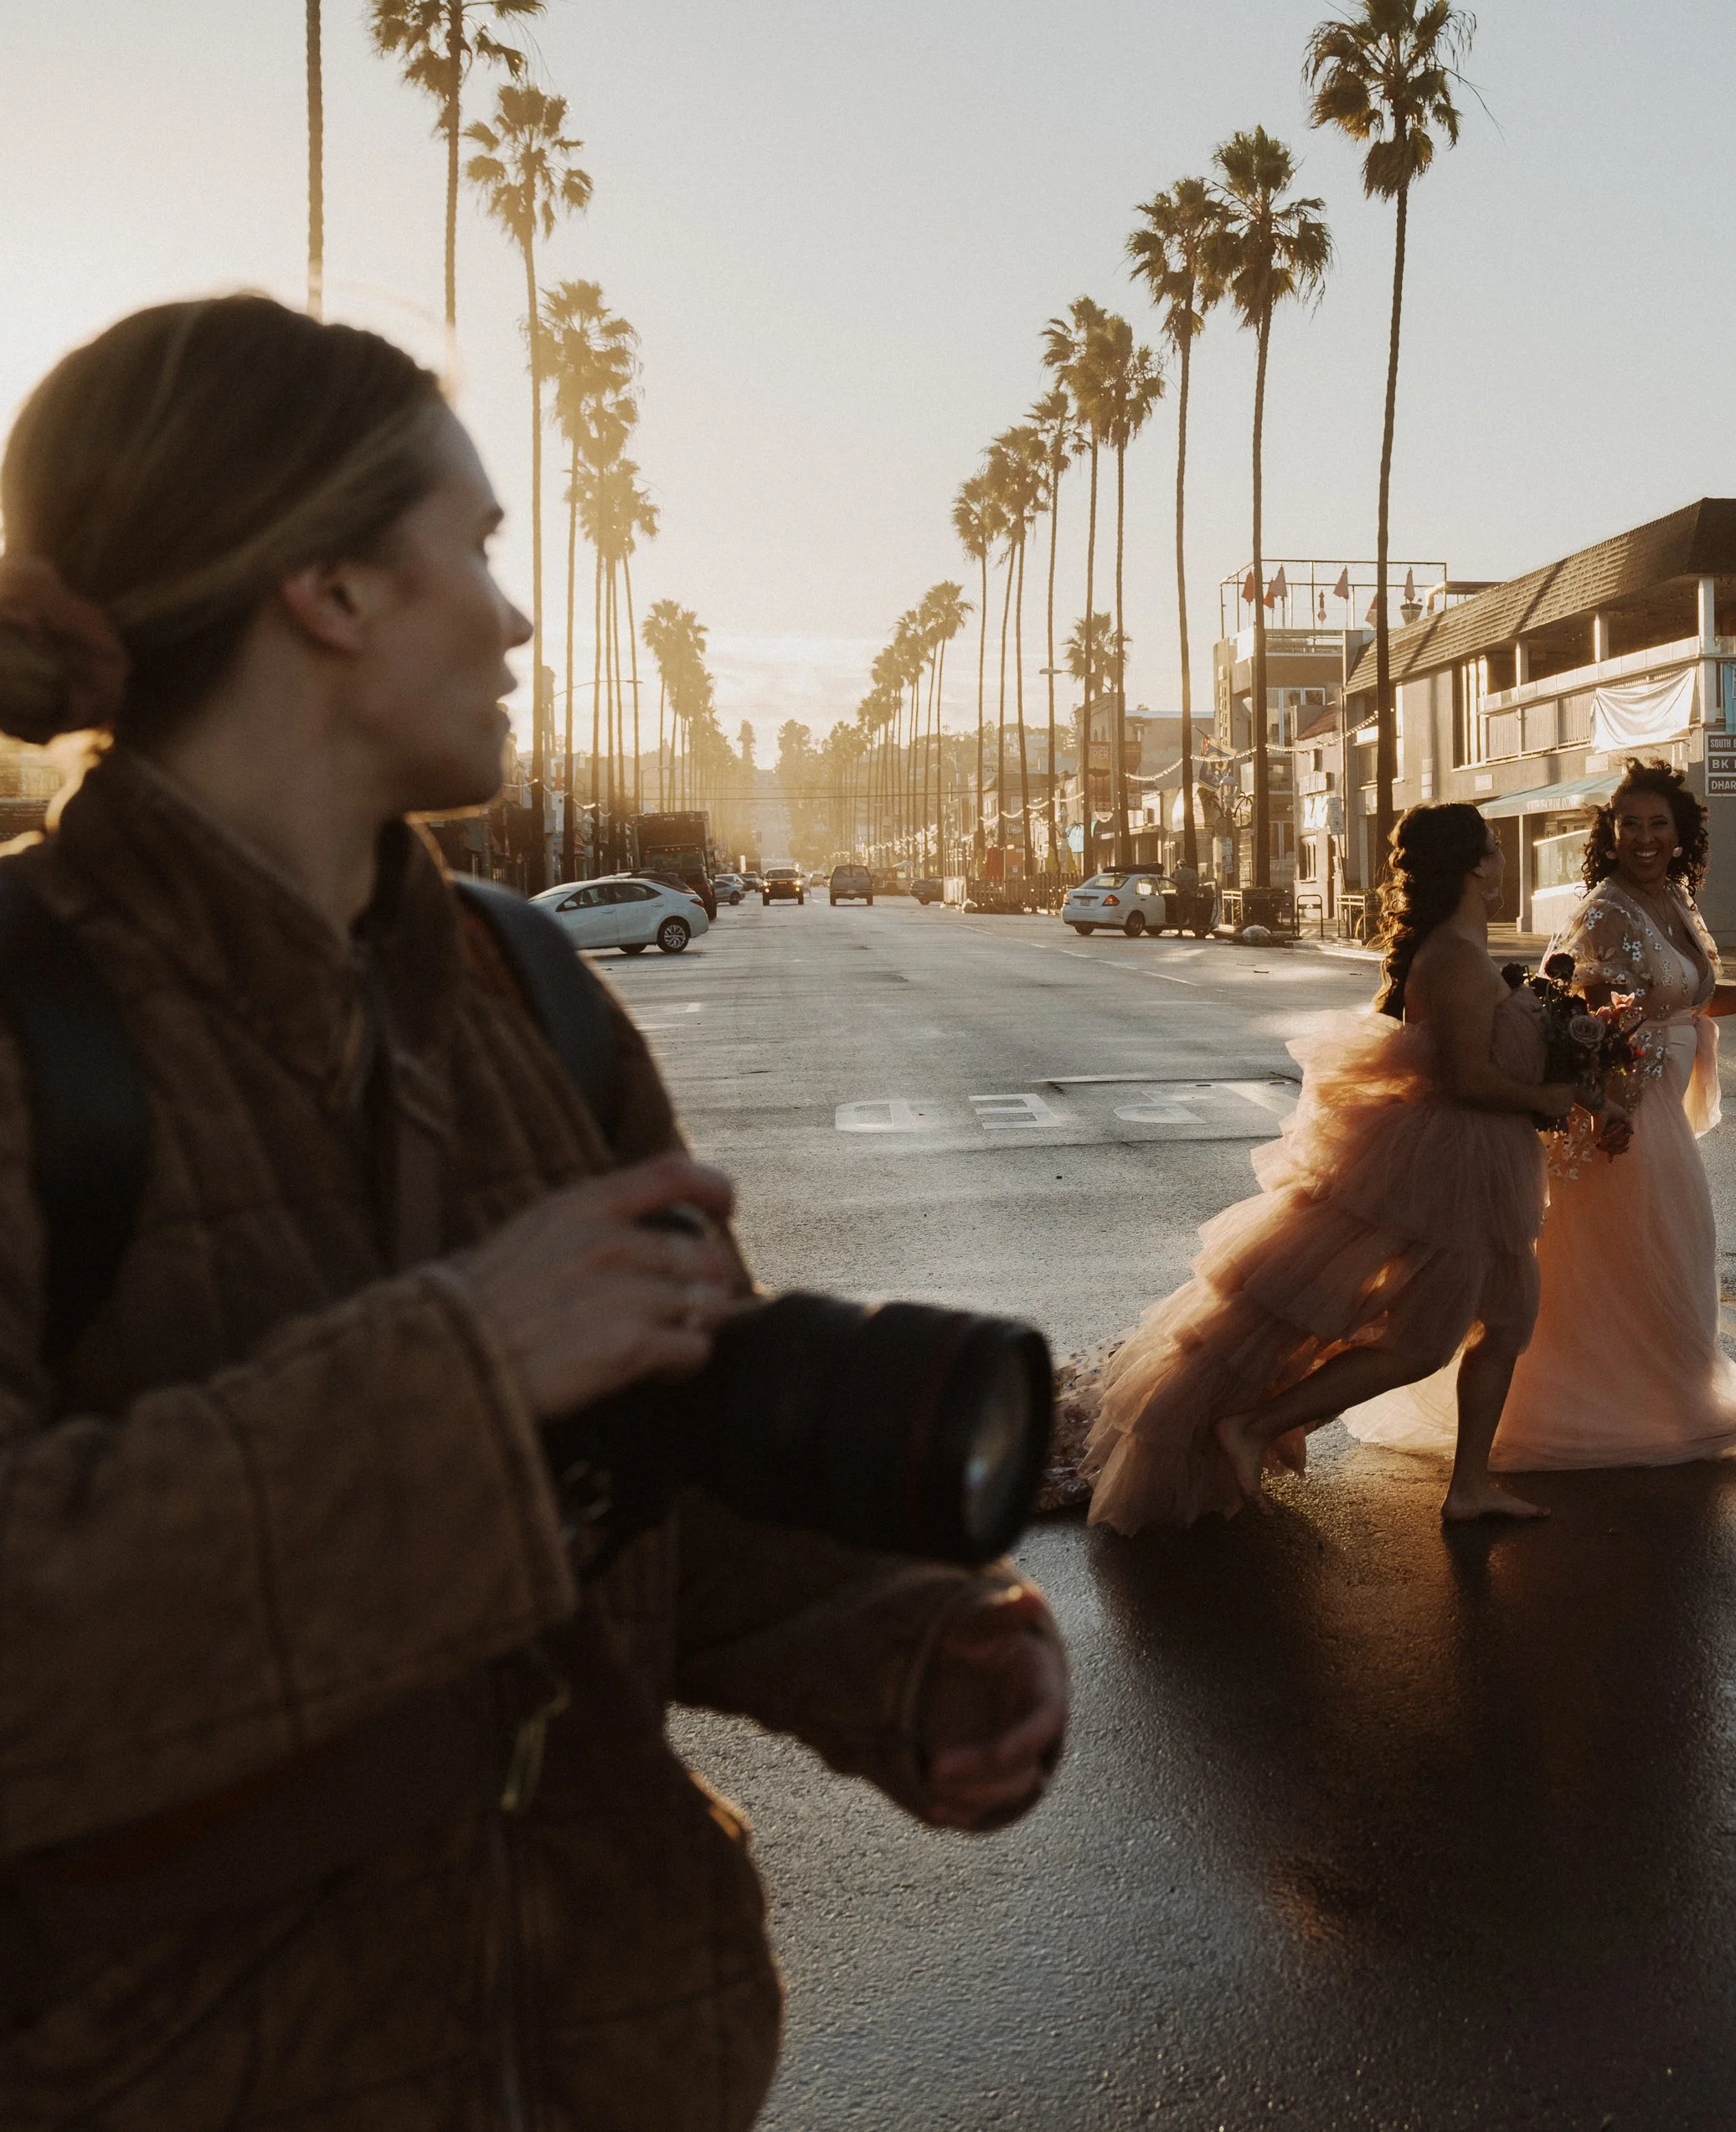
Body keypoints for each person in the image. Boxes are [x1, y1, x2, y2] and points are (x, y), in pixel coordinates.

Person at [0, 296, 1065, 2132]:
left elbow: (657, 1467)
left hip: (621, 2061)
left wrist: (905, 1646)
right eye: (474, 552)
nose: (509, 618)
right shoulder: (29, 1024)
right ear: (324, 590)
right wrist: (460, 1375)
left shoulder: (526, 995)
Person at [1079, 802, 1578, 1532]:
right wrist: (1552, 1096)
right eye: (1495, 849)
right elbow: (1466, 1079)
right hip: (1466, 1166)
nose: (1503, 860)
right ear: (1476, 865)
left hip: (1483, 1161)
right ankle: (1252, 1426)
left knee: (1504, 1324)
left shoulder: (1462, 951)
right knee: (1422, 1343)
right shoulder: (1458, 959)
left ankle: (1470, 1486)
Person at [1487, 758, 1736, 1467]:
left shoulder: (1674, 901)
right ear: (1611, 835)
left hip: (1662, 1110)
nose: (1644, 837)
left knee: (1668, 1252)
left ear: (1681, 836)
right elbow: (1586, 1020)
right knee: (1639, 1258)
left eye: (1658, 825)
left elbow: (1693, 1001)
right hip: (1626, 1106)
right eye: (1630, 825)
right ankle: (1613, 1408)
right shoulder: (1605, 912)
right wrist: (1610, 1106)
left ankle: (1657, 1402)